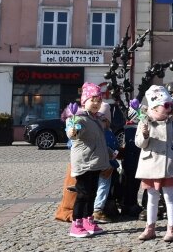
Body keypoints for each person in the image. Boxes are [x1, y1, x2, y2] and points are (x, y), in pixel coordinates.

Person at [134, 85, 173, 243]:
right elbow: (139, 144)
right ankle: (150, 227)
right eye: (166, 105)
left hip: (166, 165)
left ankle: (172, 228)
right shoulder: (144, 121)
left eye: (170, 105)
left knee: (170, 197)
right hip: (150, 164)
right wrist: (144, 135)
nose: (170, 109)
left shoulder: (171, 123)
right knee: (152, 198)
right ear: (154, 108)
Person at [65, 82, 113, 238]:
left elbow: (99, 140)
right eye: (93, 100)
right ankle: (76, 223)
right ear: (84, 101)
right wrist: (72, 131)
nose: (96, 104)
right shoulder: (79, 118)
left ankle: (88, 220)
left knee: (92, 193)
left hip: (95, 162)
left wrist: (109, 152)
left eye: (99, 101)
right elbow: (73, 133)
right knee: (83, 194)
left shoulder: (97, 119)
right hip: (84, 162)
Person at [92, 102, 121, 223]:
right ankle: (97, 209)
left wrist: (116, 152)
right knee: (102, 186)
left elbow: (115, 146)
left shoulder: (109, 132)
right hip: (102, 165)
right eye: (99, 119)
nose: (102, 122)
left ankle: (107, 207)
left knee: (108, 186)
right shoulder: (99, 132)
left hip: (110, 165)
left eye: (104, 119)